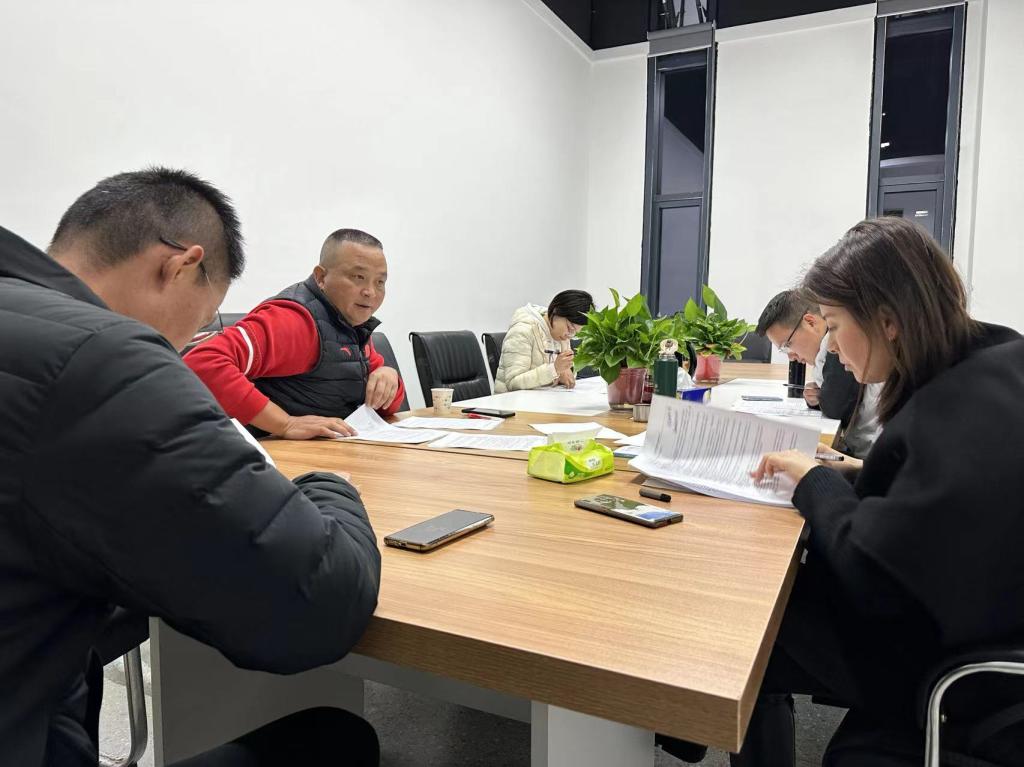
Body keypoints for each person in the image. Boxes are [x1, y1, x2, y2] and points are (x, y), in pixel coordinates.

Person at [0, 168, 381, 767]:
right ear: (178, 267)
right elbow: (320, 606)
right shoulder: (107, 360)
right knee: (339, 738)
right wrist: (329, 486)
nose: (186, 344)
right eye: (200, 320)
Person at [739, 217, 1024, 765]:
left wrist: (815, 481)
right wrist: (851, 473)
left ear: (888, 321)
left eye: (834, 324)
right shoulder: (993, 361)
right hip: (972, 628)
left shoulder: (955, 408)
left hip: (944, 666)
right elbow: (929, 506)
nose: (832, 346)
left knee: (753, 629)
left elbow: (869, 572)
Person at [184, 228, 405, 440]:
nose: (370, 292)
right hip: (261, 456)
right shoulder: (295, 321)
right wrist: (285, 424)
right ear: (321, 277)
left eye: (380, 282)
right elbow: (204, 362)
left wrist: (388, 376)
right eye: (358, 277)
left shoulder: (351, 324)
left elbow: (383, 407)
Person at [756, 290, 881, 458]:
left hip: (869, 454)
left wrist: (823, 398)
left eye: (788, 344)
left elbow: (838, 407)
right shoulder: (824, 356)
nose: (790, 356)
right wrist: (819, 399)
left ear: (810, 322)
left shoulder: (833, 346)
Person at [494, 289, 593, 392]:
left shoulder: (562, 336)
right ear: (556, 311)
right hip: (512, 400)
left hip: (545, 398)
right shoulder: (523, 330)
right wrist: (554, 369)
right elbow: (513, 383)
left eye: (575, 333)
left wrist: (566, 370)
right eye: (569, 328)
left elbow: (562, 373)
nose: (569, 336)